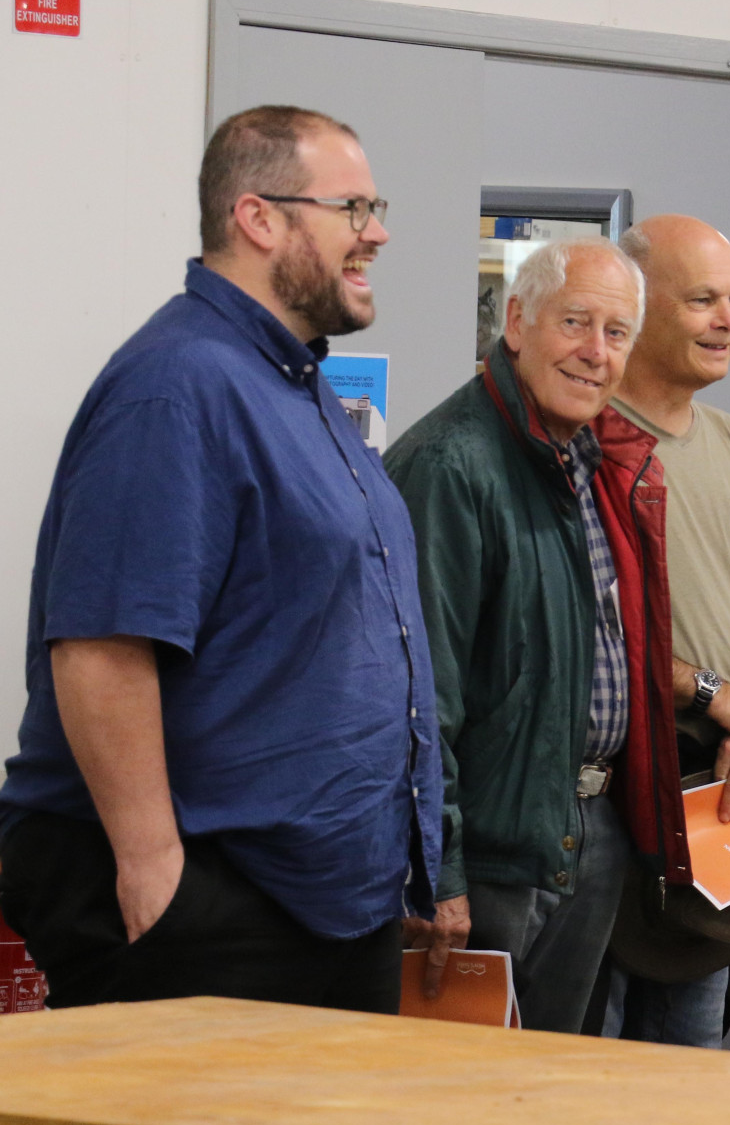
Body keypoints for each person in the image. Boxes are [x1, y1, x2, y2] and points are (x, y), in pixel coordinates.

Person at [0, 105, 437, 1011]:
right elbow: (101, 645)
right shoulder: (176, 384)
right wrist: (154, 870)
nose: (378, 232)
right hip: (215, 900)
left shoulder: (292, 381)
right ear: (259, 218)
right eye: (353, 208)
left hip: (317, 900)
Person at [385, 236, 688, 1034]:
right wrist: (434, 867)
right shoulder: (451, 465)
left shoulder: (592, 461)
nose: (596, 353)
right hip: (490, 856)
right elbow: (420, 694)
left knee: (549, 1103)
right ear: (516, 321)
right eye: (575, 322)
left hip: (586, 832)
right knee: (464, 1115)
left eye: (616, 332)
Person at [605, 215, 730, 1048]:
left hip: (724, 793)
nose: (729, 320)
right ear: (640, 307)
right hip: (618, 802)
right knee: (593, 1057)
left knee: (693, 1060)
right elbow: (601, 630)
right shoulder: (592, 441)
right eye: (703, 301)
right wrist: (724, 699)